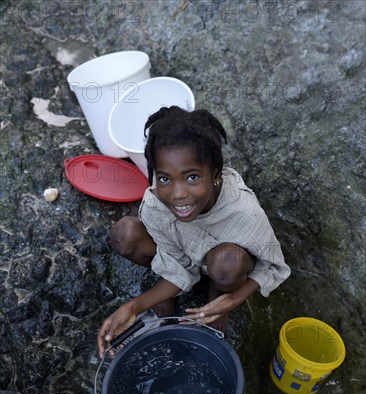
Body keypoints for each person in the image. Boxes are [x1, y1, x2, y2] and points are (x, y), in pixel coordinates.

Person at [97, 106, 290, 357]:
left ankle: (215, 299)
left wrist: (234, 299)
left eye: (192, 177)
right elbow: (178, 262)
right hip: (184, 254)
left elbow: (274, 266)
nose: (178, 194)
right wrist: (133, 307)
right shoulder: (157, 205)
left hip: (223, 262)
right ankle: (168, 290)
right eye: (165, 179)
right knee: (125, 234)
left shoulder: (243, 211)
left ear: (215, 174)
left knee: (227, 263)